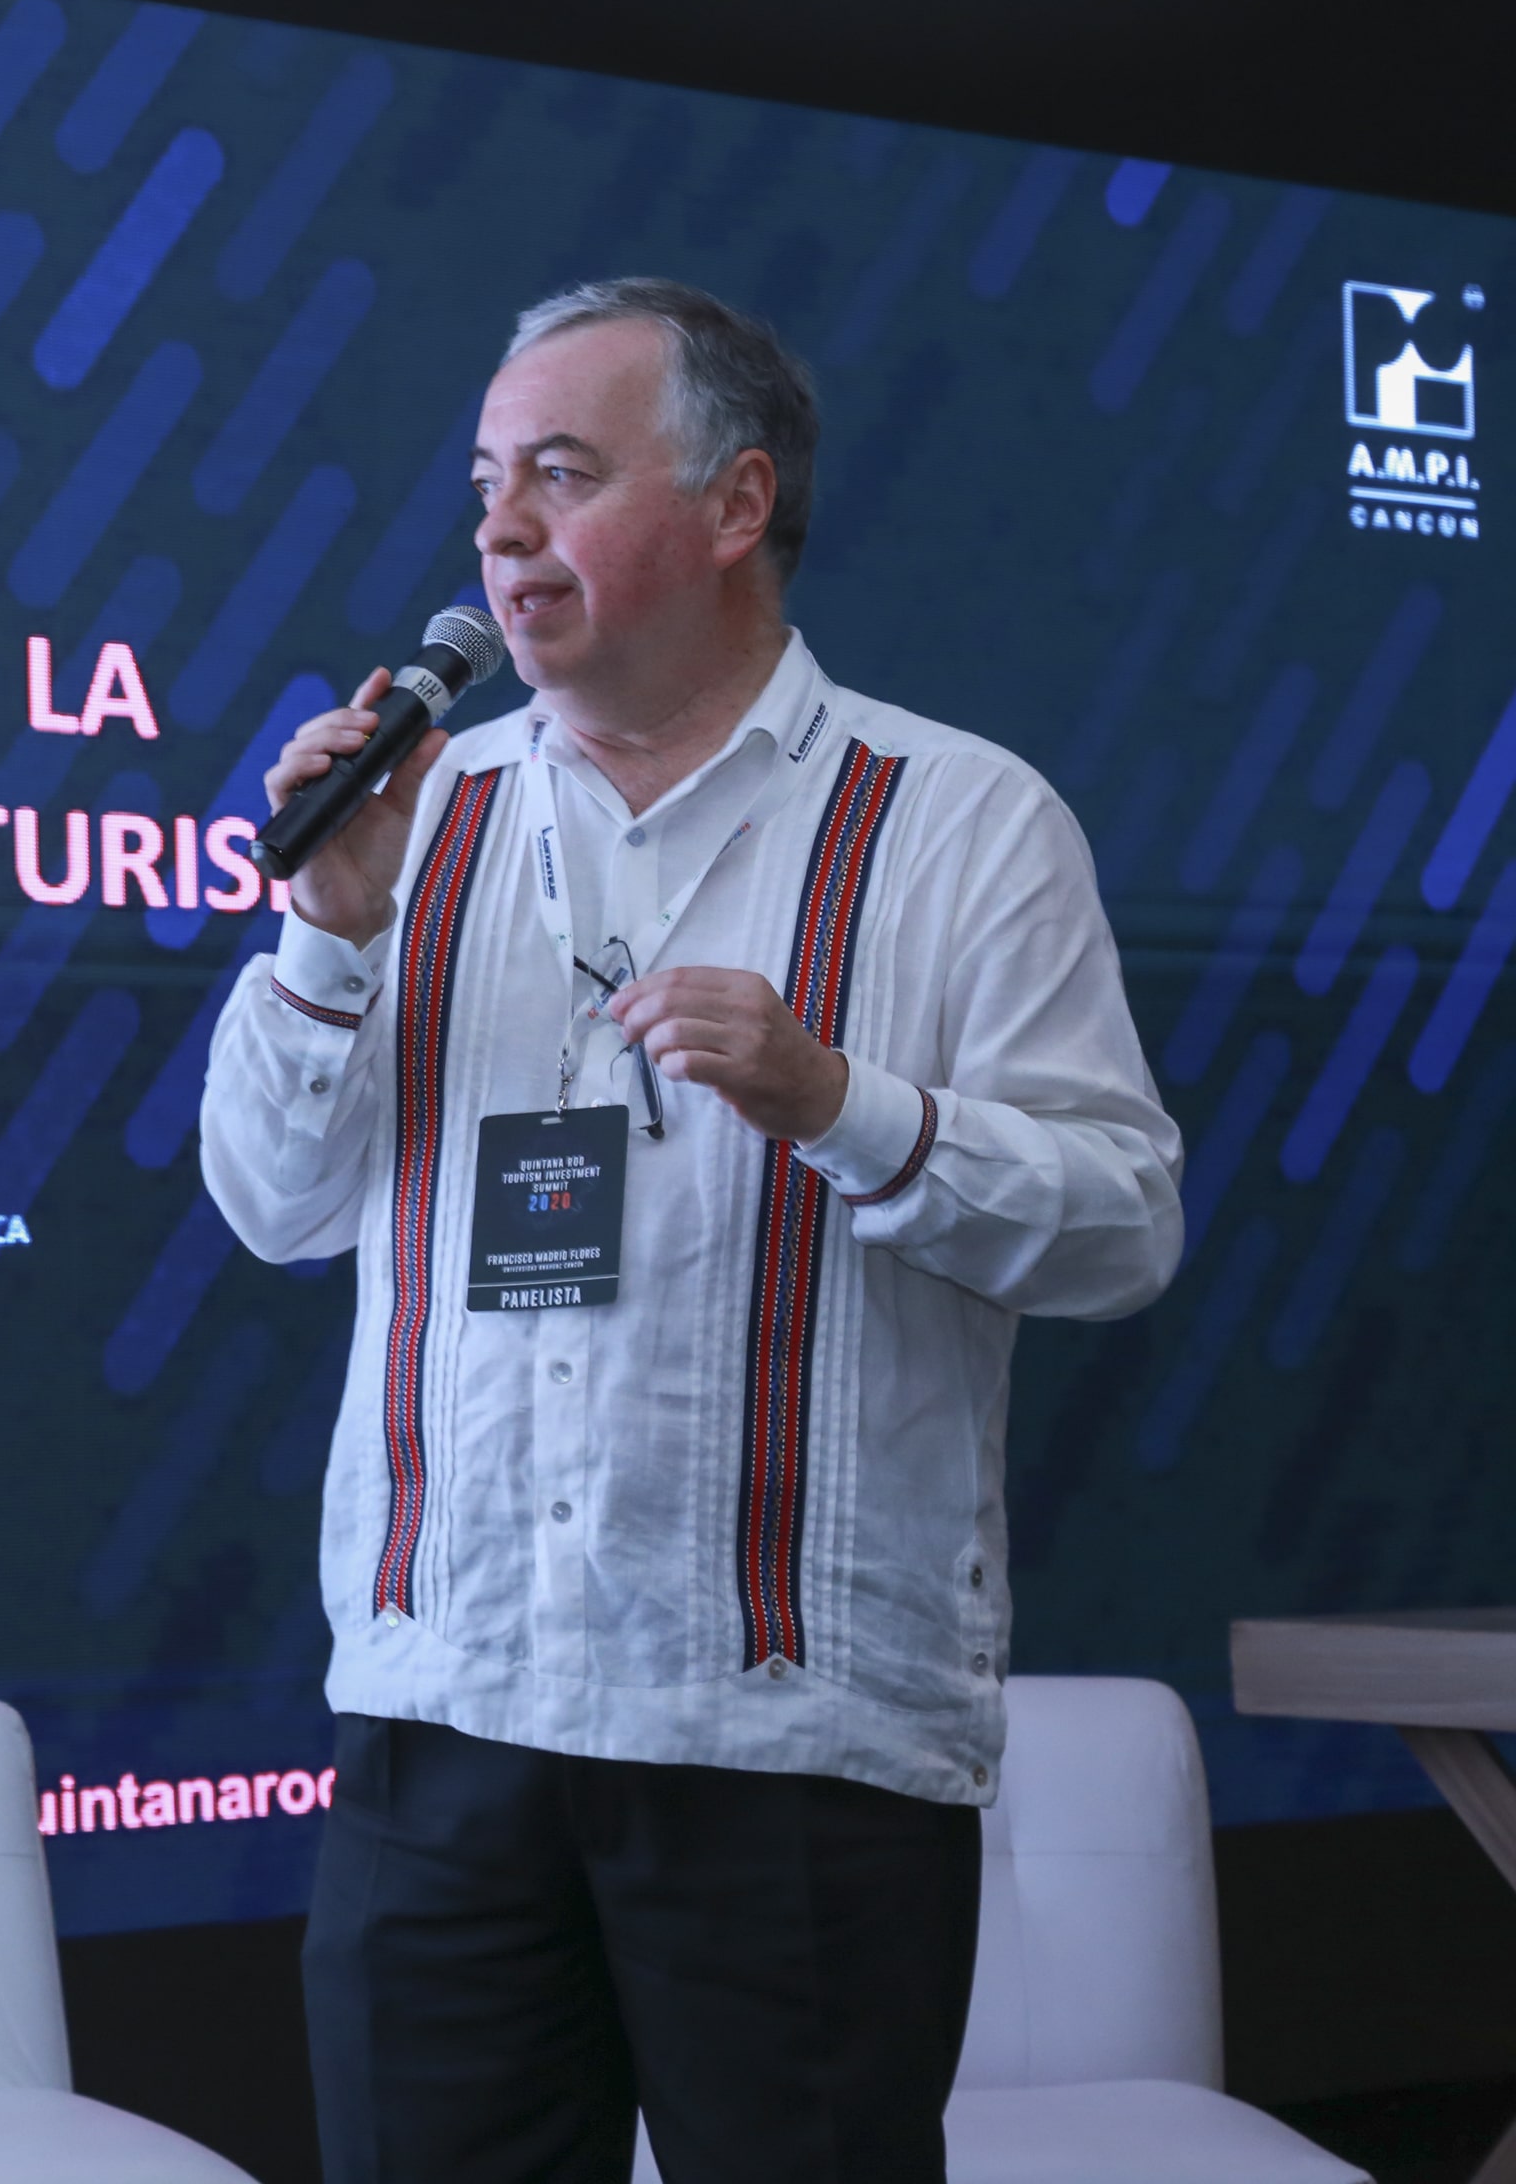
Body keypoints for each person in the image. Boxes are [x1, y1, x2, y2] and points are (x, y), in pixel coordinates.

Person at [199, 277, 1182, 2182]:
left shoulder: (961, 822)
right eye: (487, 484)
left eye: (563, 475)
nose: (500, 531)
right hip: (447, 1717)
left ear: (738, 505)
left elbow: (1122, 1227)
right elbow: (270, 1205)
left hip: (790, 1742)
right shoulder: (415, 816)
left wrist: (844, 1106)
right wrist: (324, 935)